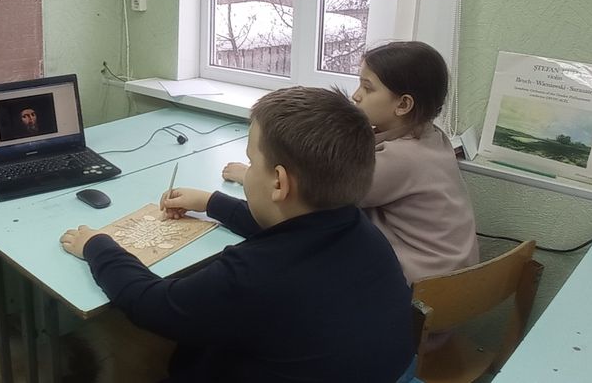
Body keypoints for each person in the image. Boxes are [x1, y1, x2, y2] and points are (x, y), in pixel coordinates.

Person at [60, 87, 414, 382]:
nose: (248, 171)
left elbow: (152, 305)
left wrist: (98, 246)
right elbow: (288, 226)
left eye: (252, 162)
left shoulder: (252, 274)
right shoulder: (360, 229)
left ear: (278, 182)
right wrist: (211, 202)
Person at [222, 41, 479, 283]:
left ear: (403, 104)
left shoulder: (403, 159)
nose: (356, 96)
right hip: (453, 275)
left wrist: (248, 175)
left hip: (421, 283)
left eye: (368, 88)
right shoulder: (433, 137)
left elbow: (310, 196)